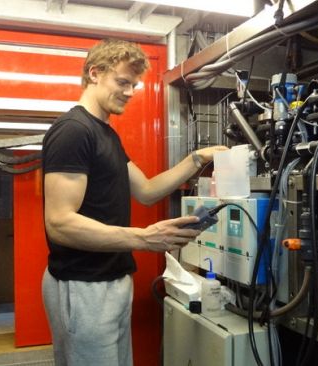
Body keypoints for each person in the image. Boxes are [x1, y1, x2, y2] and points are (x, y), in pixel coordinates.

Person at [41, 38, 227, 366]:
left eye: (134, 85)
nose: (129, 92)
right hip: (84, 285)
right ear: (94, 73)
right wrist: (144, 238)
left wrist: (198, 158)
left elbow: (147, 189)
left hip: (112, 278)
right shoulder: (73, 131)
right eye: (122, 82)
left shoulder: (106, 134)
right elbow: (59, 223)